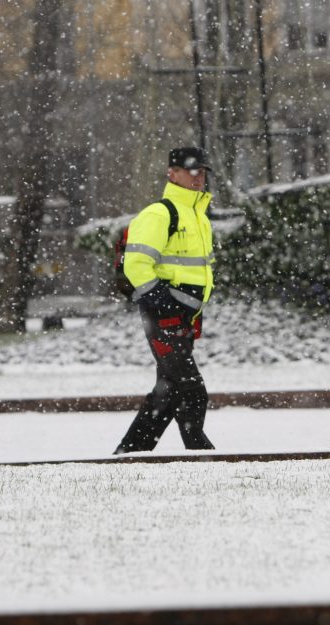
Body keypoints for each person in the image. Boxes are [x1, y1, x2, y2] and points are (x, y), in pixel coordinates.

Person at [114, 146, 217, 454]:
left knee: (169, 391)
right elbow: (136, 264)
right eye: (192, 171)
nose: (199, 178)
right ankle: (202, 455)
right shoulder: (160, 213)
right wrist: (162, 302)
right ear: (172, 174)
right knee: (192, 390)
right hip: (163, 318)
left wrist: (191, 312)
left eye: (203, 172)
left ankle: (131, 453)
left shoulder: (199, 218)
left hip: (183, 318)